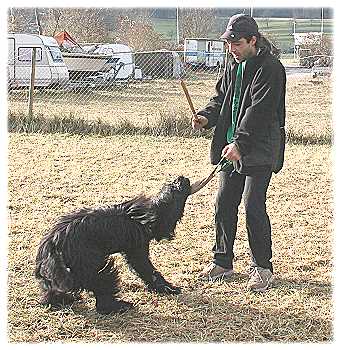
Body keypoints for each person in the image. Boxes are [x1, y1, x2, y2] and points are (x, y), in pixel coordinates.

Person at [192, 14, 286, 292]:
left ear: (253, 41)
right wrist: (206, 117)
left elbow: (260, 112)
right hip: (231, 147)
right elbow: (221, 98)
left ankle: (262, 268)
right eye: (229, 42)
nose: (231, 48)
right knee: (223, 203)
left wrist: (240, 144)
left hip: (259, 148)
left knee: (253, 206)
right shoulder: (233, 64)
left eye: (236, 43)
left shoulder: (270, 68)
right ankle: (222, 262)